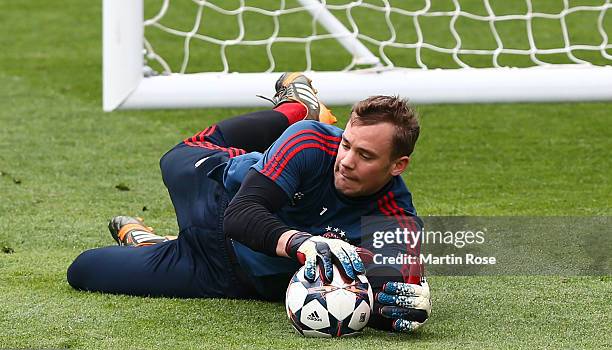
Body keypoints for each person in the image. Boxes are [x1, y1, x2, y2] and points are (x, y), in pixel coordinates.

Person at [67, 73, 432, 333]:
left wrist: (404, 309)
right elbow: (241, 216)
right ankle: (296, 106)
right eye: (347, 144)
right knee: (175, 158)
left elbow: (386, 298)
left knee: (84, 270)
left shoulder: (397, 222)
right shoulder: (312, 143)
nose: (347, 161)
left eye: (365, 155)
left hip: (221, 276)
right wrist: (303, 242)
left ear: (398, 165)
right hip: (213, 194)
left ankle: (152, 243)